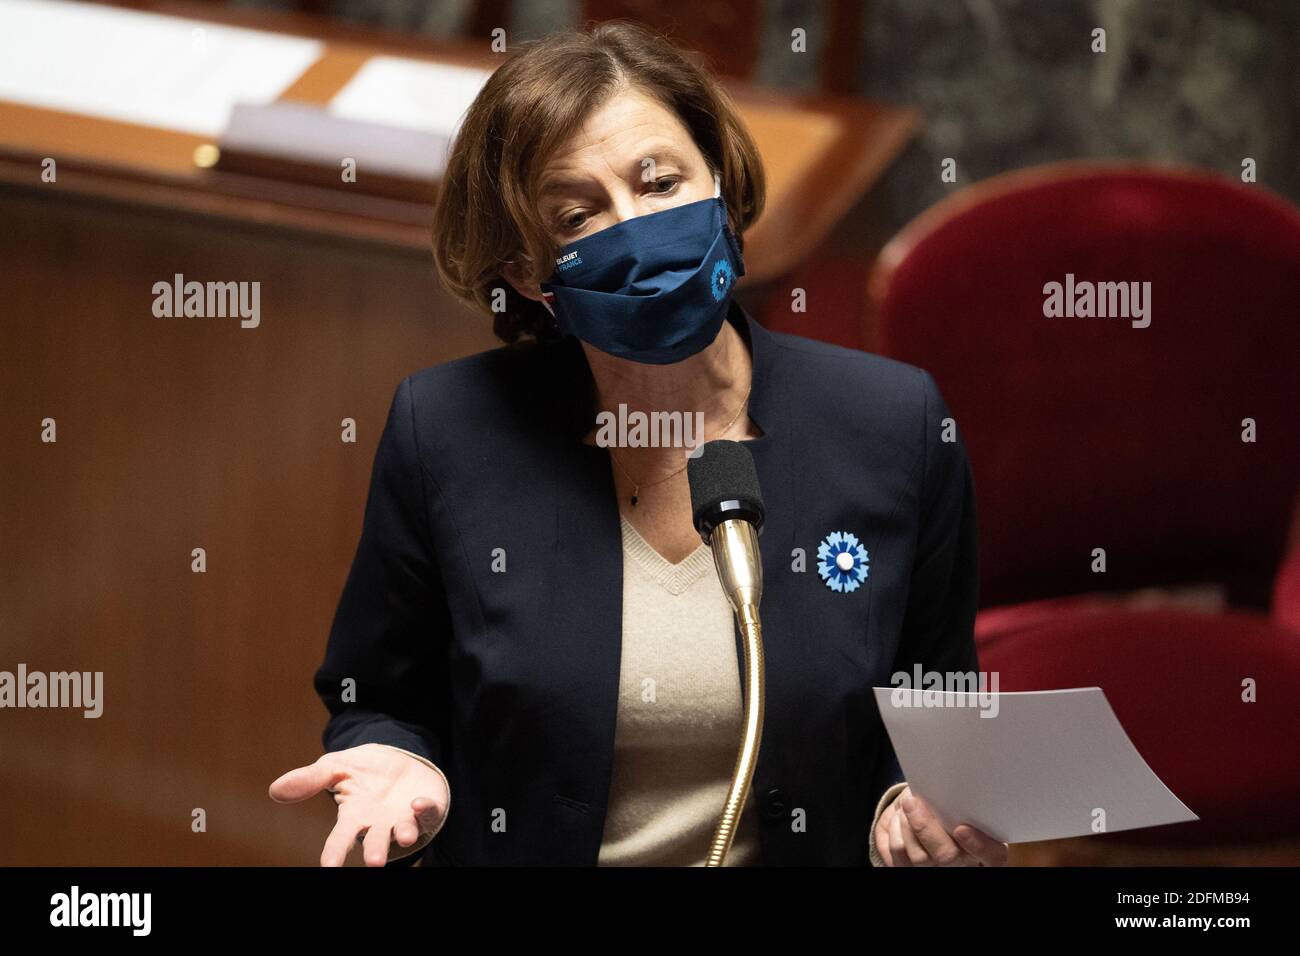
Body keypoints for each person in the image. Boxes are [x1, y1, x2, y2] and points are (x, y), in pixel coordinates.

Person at [268, 19, 1008, 868]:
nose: (635, 229)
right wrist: (403, 758)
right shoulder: (446, 429)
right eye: (578, 214)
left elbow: (935, 698)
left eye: (660, 183)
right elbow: (380, 695)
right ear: (526, 273)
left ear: (719, 181)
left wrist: (907, 809)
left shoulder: (892, 422)